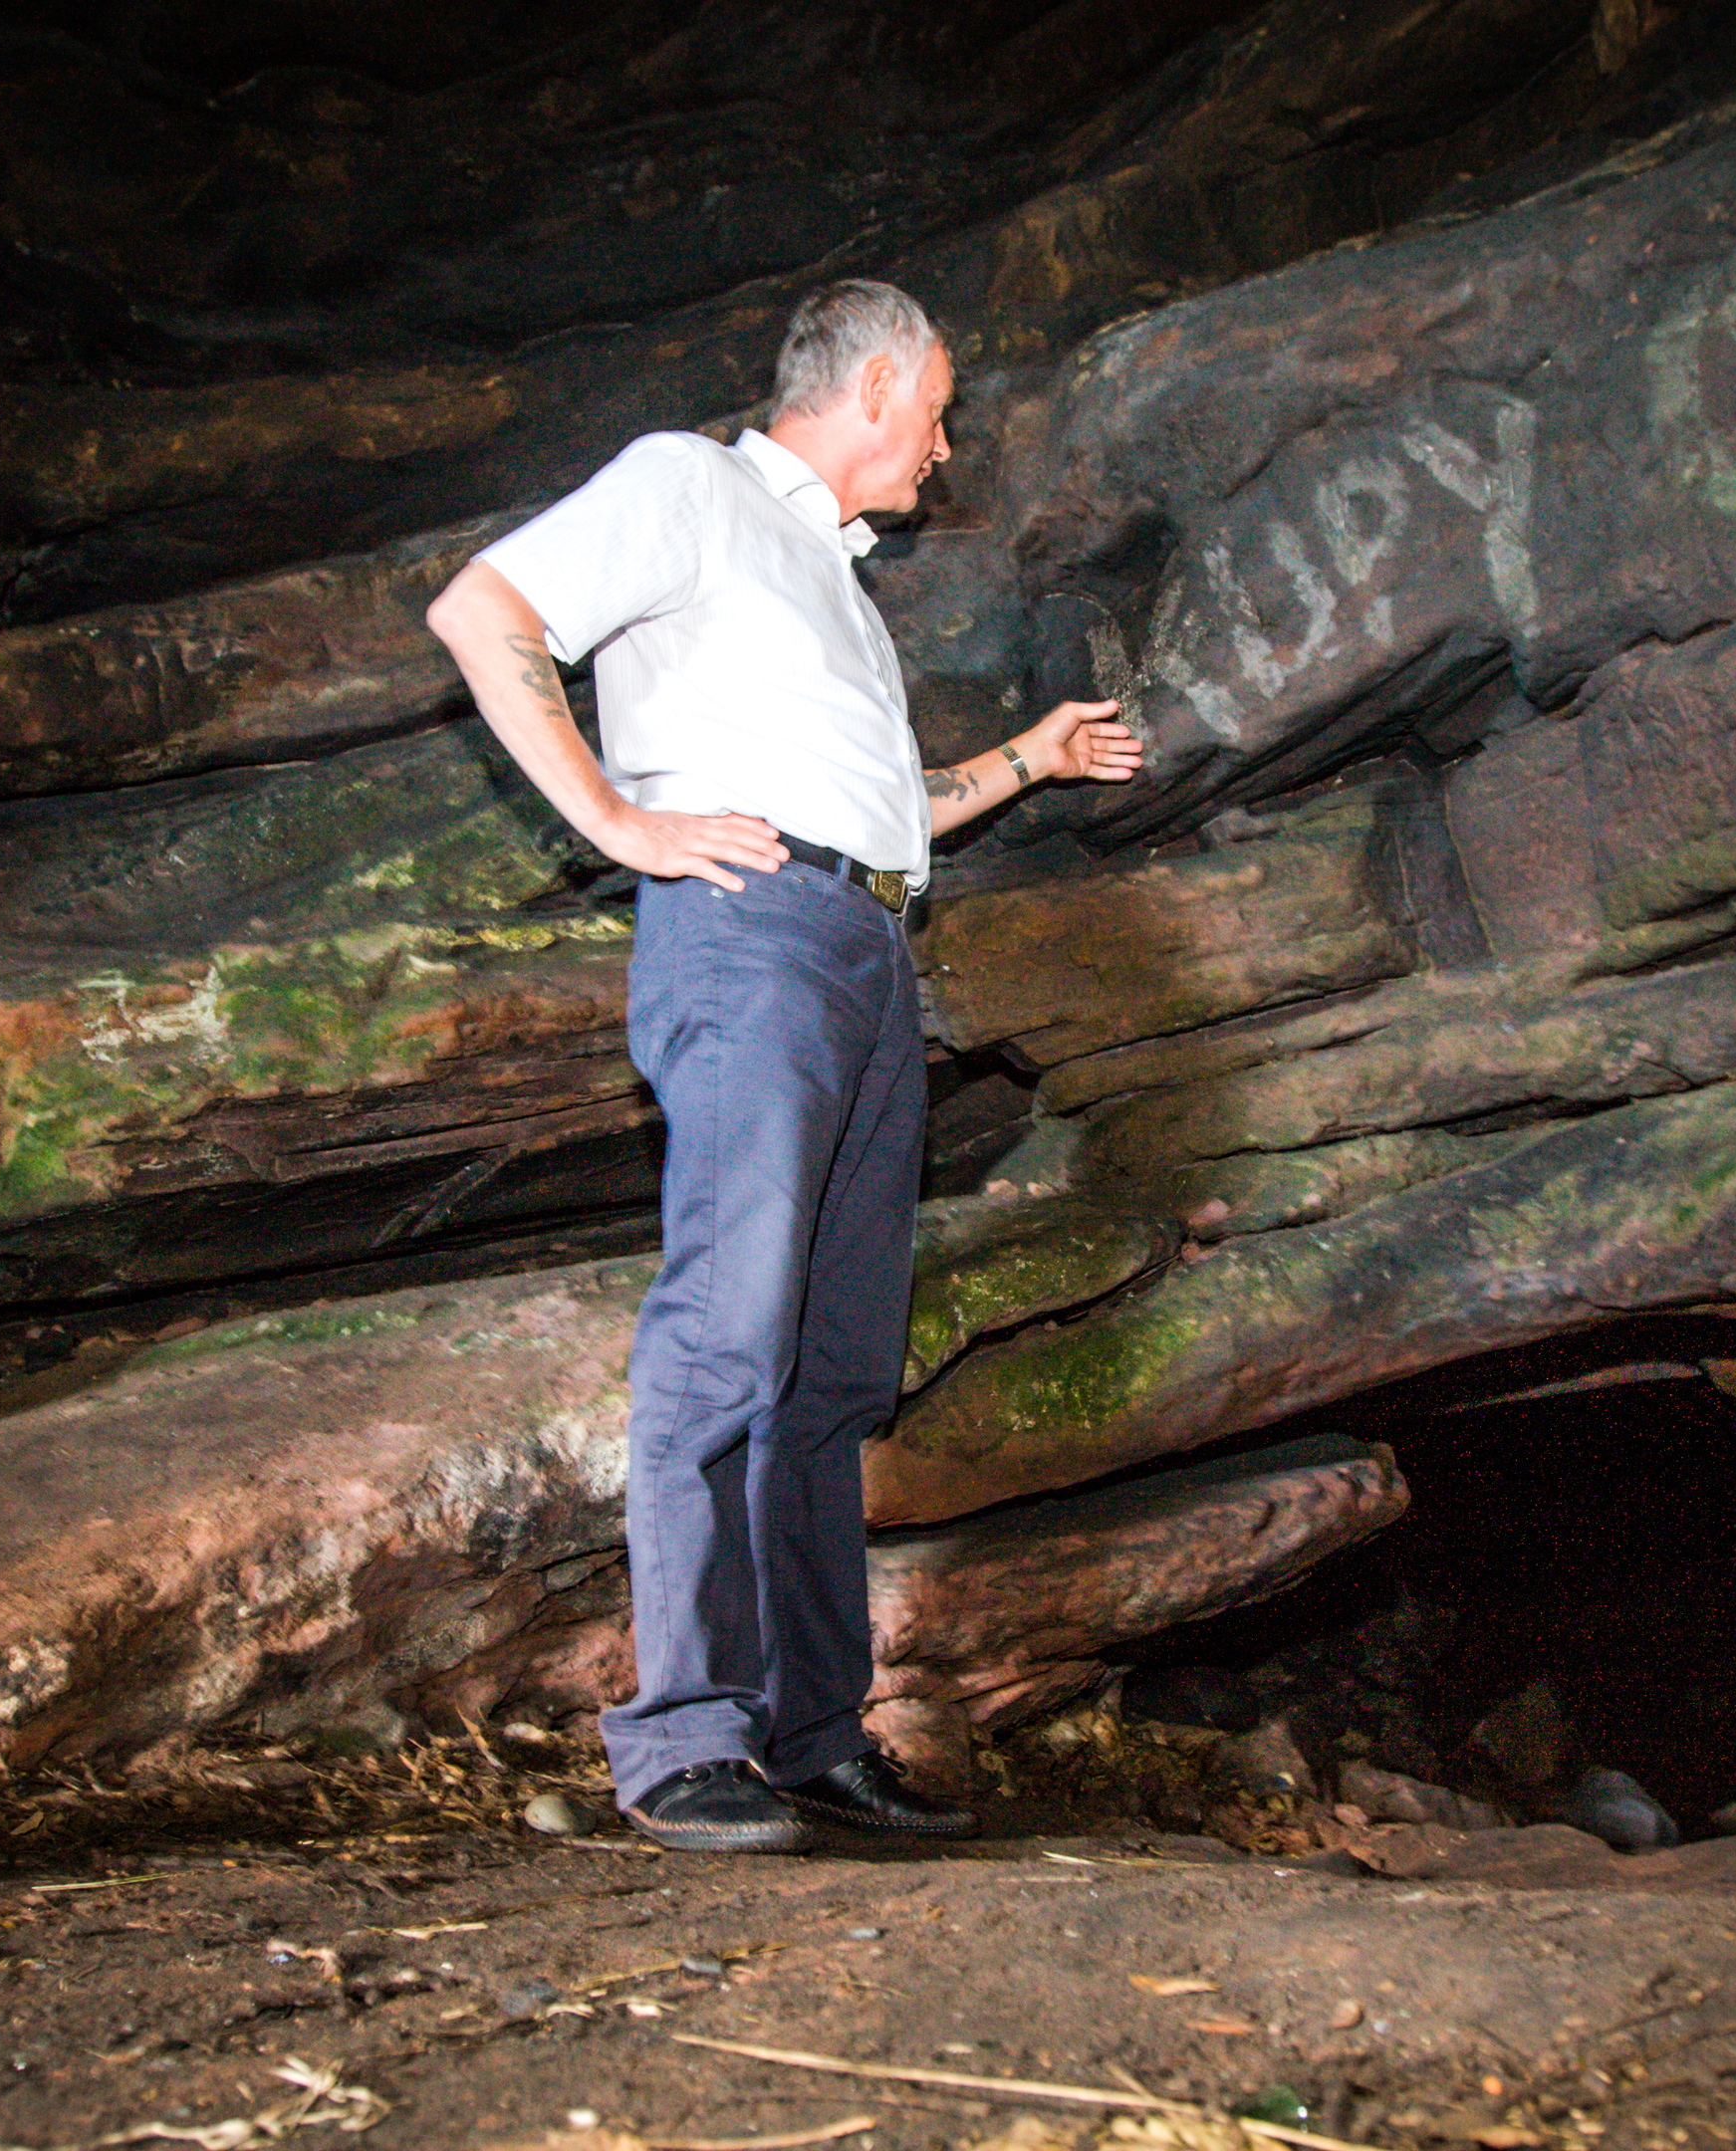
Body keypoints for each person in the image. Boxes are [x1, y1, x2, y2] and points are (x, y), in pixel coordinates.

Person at [424, 280, 1140, 1851]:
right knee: (728, 1331)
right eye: (938, 412)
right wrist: (619, 823)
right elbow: (484, 611)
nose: (945, 449)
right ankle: (681, 1738)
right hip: (749, 940)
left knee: (828, 1378)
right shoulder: (690, 485)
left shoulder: (835, 588)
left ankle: (811, 1734)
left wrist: (1032, 758)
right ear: (876, 382)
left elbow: (882, 813)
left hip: (873, 949)